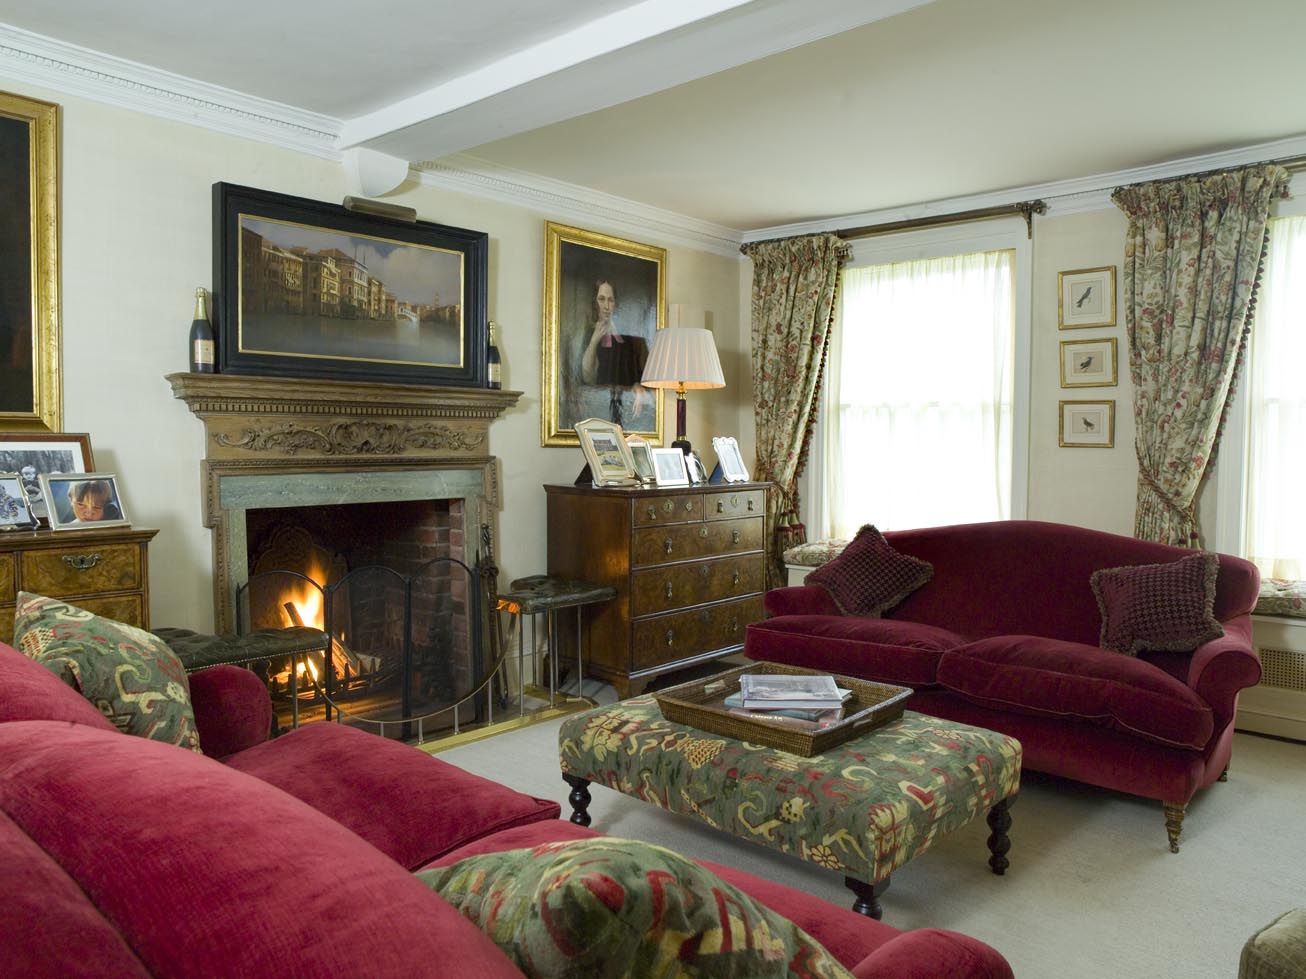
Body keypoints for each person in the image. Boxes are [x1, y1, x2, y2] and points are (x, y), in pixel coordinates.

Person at [579, 279, 650, 427]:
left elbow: (633, 374)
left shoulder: (625, 337)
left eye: (610, 300)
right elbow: (588, 377)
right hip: (598, 407)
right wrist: (593, 341)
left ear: (615, 304)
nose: (606, 306)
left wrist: (637, 386)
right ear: (594, 302)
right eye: (601, 299)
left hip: (625, 408)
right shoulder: (588, 334)